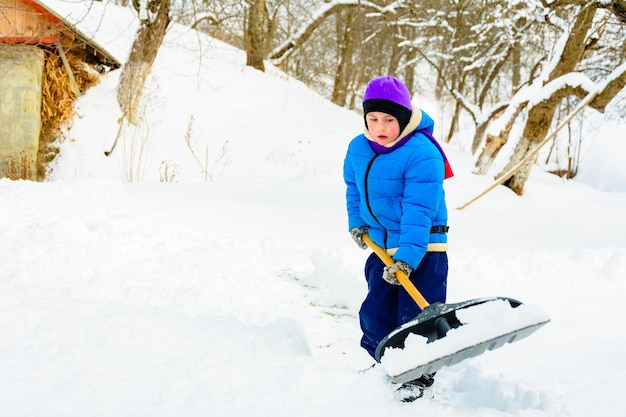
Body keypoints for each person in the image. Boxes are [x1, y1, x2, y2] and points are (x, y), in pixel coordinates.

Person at [343, 75, 453, 402]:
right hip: (382, 246)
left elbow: (420, 209)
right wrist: (357, 223)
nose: (380, 126)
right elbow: (353, 189)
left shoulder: (422, 152)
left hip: (424, 247)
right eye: (373, 118)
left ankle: (418, 375)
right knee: (376, 313)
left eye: (389, 119)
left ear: (403, 119)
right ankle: (386, 365)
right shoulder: (358, 148)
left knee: (414, 318)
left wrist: (408, 257)